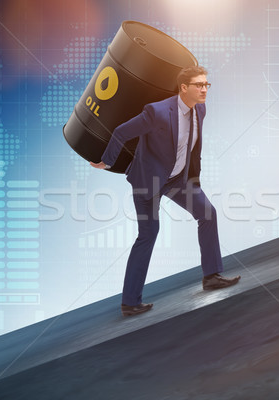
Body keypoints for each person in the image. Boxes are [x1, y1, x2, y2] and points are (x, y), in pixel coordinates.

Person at [90, 66, 240, 316]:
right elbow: (122, 132)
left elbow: (190, 147)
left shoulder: (200, 109)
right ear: (184, 88)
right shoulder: (157, 112)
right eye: (198, 85)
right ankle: (130, 302)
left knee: (207, 214)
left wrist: (191, 176)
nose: (204, 90)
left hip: (177, 179)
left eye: (206, 85)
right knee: (149, 234)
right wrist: (107, 161)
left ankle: (212, 276)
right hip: (148, 181)